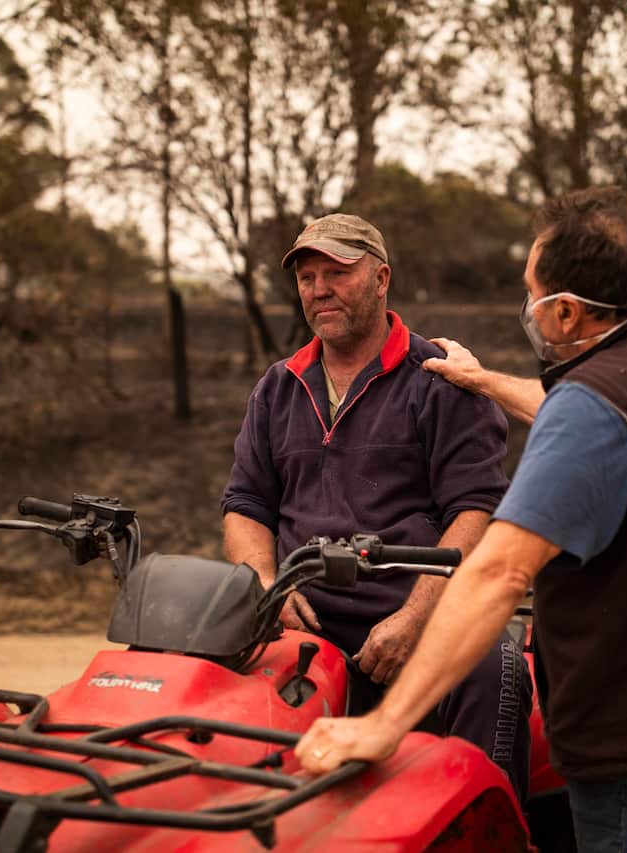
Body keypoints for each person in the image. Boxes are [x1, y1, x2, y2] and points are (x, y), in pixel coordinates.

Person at [295, 188, 627, 852]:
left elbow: (499, 571)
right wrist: (488, 380)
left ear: (563, 312)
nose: (525, 307)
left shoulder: (592, 409)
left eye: (530, 293)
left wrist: (387, 722)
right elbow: (586, 412)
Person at [221, 212, 533, 803]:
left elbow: (477, 512)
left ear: (381, 277)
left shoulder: (441, 381)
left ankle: (487, 824)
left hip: (420, 610)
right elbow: (246, 503)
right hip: (304, 618)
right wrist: (266, 586)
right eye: (308, 277)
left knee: (496, 664)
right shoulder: (278, 386)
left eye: (337, 272)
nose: (319, 289)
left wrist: (416, 620)